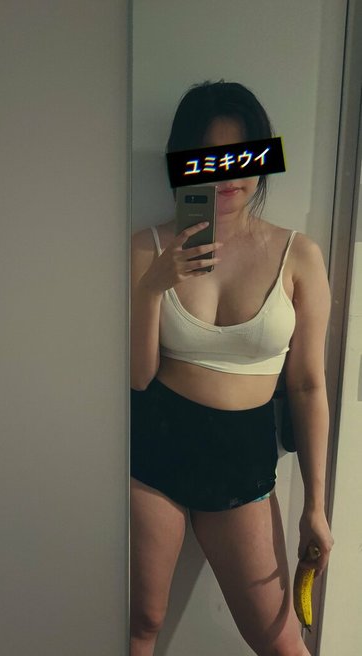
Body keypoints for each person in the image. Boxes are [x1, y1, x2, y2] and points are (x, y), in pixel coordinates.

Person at [129, 80, 334, 656]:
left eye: (242, 155)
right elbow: (139, 377)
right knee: (143, 620)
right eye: (208, 156)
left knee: (279, 641)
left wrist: (315, 506)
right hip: (156, 446)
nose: (226, 172)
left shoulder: (299, 255)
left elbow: (308, 385)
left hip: (242, 456)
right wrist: (152, 289)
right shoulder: (148, 247)